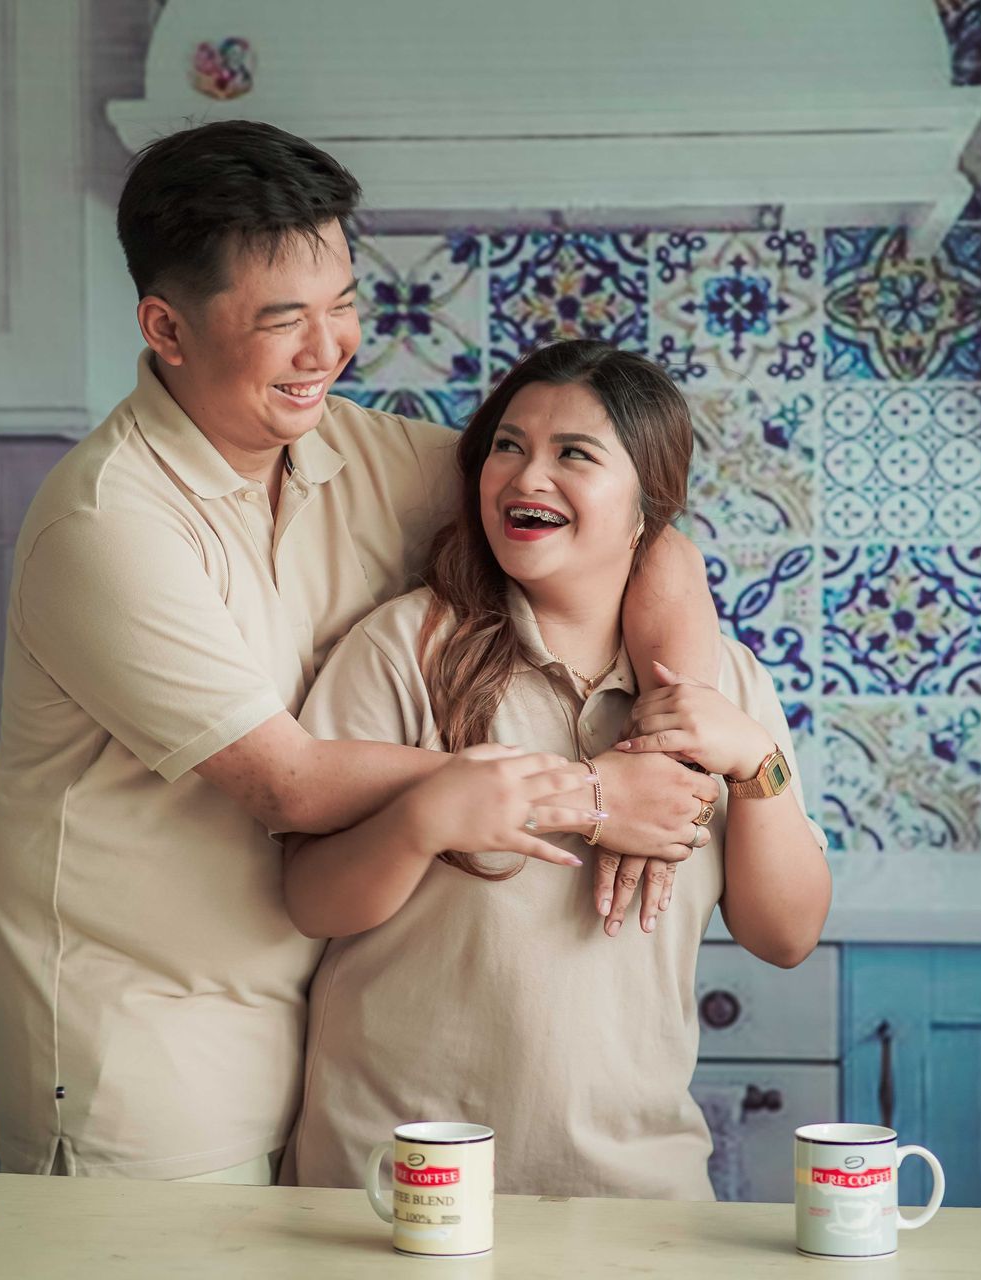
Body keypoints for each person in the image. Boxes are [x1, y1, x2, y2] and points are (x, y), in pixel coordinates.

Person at [0, 121, 722, 1185]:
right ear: (166, 328)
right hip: (146, 1047)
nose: (327, 348)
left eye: (342, 305)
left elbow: (633, 526)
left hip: (318, 1024)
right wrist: (592, 795)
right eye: (284, 320)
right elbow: (285, 781)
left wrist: (676, 732)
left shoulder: (356, 450)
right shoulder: (107, 522)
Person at [281, 339, 832, 1200]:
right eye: (508, 446)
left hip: (638, 1188)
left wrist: (756, 764)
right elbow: (311, 900)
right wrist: (428, 816)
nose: (526, 476)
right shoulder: (403, 649)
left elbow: (785, 936)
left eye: (574, 453)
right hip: (402, 1177)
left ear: (648, 507)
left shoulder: (729, 683)